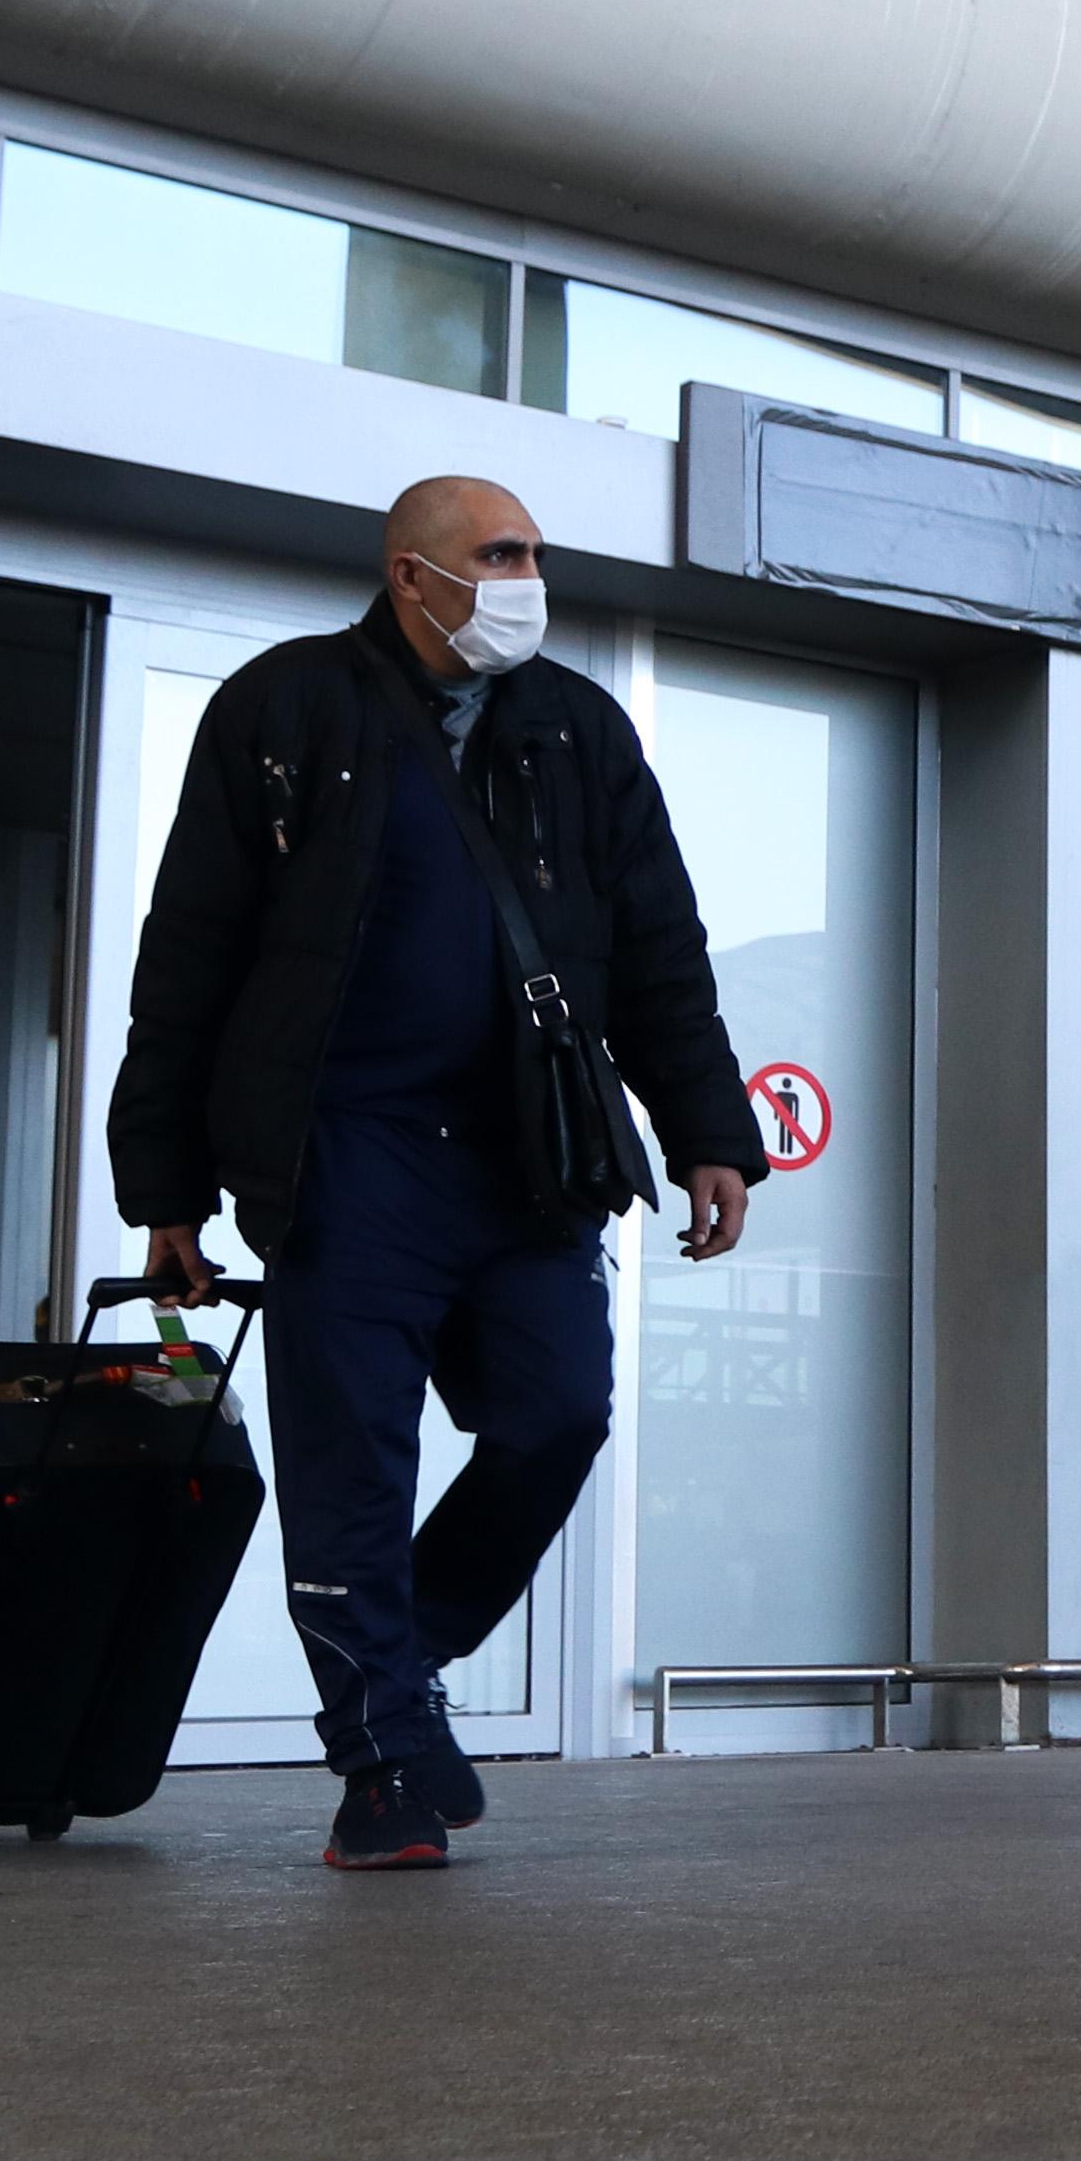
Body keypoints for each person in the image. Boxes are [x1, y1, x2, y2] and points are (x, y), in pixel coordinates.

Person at [110, 475, 761, 1871]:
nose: (528, 577)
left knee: (556, 1419)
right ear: (415, 576)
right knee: (350, 1471)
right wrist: (166, 1181)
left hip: (534, 1160)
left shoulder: (580, 731)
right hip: (347, 1156)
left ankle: (399, 1652)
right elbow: (189, 957)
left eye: (535, 552)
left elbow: (659, 950)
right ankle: (382, 1766)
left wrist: (709, 1127)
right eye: (500, 555)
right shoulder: (284, 712)